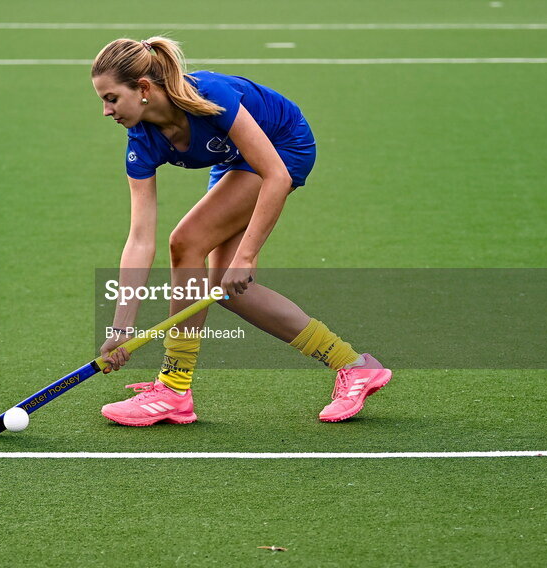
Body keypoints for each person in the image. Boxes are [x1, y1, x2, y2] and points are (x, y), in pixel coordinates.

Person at [90, 37, 391, 426]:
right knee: (223, 289)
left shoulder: (210, 94)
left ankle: (173, 388)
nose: (105, 110)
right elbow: (139, 238)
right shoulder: (141, 139)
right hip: (233, 159)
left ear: (143, 89)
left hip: (282, 146)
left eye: (112, 98)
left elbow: (276, 175)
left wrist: (247, 256)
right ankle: (354, 365)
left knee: (186, 242)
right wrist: (121, 326)